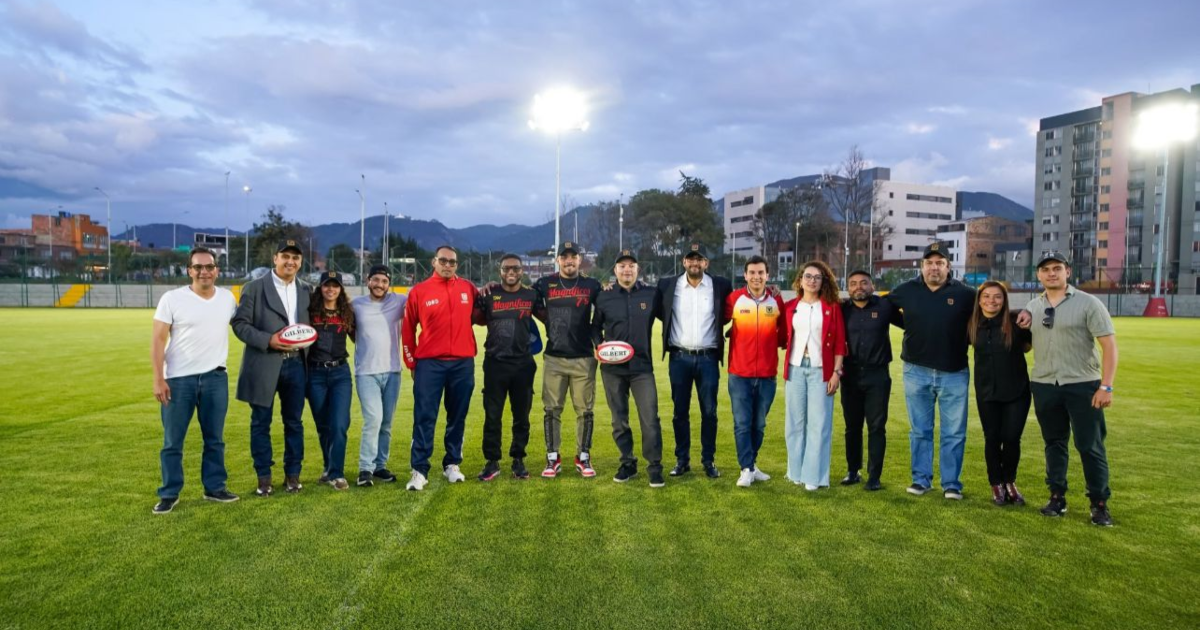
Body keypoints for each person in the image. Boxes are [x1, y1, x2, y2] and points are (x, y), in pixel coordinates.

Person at [1017, 252, 1118, 526]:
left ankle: (1099, 503)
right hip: (1045, 384)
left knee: (1089, 445)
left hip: (1082, 385)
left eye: (1057, 268)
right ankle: (1057, 497)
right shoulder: (1033, 306)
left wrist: (1106, 386)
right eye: (1046, 269)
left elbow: (1109, 346)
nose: (1051, 273)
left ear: (1067, 272)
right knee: (1054, 443)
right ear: (1038, 275)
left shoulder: (1088, 303)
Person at [150, 246, 239, 514]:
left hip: (215, 378)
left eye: (209, 266)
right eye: (198, 267)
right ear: (189, 270)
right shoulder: (172, 299)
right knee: (173, 441)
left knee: (215, 439)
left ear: (217, 270)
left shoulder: (227, 299)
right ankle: (169, 493)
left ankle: (214, 487)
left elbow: (245, 325)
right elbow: (158, 340)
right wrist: (158, 379)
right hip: (179, 380)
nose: (204, 272)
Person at [885, 241, 975, 499]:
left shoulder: (966, 294)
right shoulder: (906, 290)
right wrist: (909, 323)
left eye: (940, 263)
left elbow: (989, 313)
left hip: (954, 372)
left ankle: (951, 484)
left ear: (948, 266)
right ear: (922, 266)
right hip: (916, 371)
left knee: (954, 432)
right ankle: (921, 480)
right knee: (920, 430)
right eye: (929, 263)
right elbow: (884, 308)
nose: (934, 267)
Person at [232, 240, 311, 496]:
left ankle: (293, 475)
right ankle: (264, 478)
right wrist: (269, 340)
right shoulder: (254, 288)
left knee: (294, 423)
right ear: (275, 258)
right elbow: (240, 324)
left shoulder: (307, 289)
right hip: (264, 364)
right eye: (285, 256)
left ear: (301, 262)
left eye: (295, 258)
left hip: (296, 364)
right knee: (260, 423)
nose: (290, 261)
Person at [401, 245, 478, 491]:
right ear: (434, 262)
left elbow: (484, 313)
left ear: (457, 265)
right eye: (443, 260)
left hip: (462, 363)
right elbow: (407, 329)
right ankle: (419, 470)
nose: (447, 265)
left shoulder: (468, 288)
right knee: (424, 416)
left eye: (452, 262)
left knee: (457, 416)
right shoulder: (419, 291)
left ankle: (452, 464)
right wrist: (411, 361)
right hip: (429, 364)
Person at [655, 242, 733, 479]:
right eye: (691, 259)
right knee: (680, 412)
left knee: (709, 412)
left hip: (708, 358)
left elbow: (733, 308)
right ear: (684, 262)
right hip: (679, 357)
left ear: (706, 263)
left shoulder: (720, 285)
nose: (694, 263)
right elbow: (659, 310)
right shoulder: (668, 285)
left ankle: (708, 460)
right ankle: (682, 460)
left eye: (699, 259)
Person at [593, 250, 665, 487]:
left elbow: (669, 316)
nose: (626, 270)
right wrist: (598, 345)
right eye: (622, 266)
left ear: (637, 269)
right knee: (619, 420)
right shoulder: (604, 296)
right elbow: (595, 327)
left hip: (642, 368)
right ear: (615, 270)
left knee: (650, 418)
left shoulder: (651, 294)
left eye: (631, 266)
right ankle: (627, 463)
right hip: (612, 369)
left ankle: (654, 467)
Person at [531, 241, 602, 478]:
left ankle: (583, 456)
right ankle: (552, 457)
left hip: (583, 357)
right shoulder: (544, 283)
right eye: (564, 257)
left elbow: (604, 311)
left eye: (573, 257)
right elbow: (528, 299)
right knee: (552, 410)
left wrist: (598, 339)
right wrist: (548, 320)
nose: (569, 261)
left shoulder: (592, 285)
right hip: (554, 357)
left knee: (585, 411)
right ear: (558, 260)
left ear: (580, 260)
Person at [780, 261, 846, 491]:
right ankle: (795, 472)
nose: (812, 281)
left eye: (817, 277)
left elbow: (840, 343)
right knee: (794, 423)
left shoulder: (831, 307)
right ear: (800, 280)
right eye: (808, 276)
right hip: (795, 368)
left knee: (819, 424)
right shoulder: (790, 306)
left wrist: (836, 373)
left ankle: (814, 476)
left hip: (821, 370)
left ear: (823, 282)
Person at [473, 254, 539, 481]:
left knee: (521, 416)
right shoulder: (489, 295)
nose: (511, 272)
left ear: (522, 271)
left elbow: (548, 317)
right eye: (506, 268)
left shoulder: (531, 295)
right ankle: (492, 461)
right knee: (492, 416)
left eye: (515, 268)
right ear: (499, 271)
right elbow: (471, 318)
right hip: (495, 363)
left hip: (523, 364)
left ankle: (518, 459)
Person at [839, 270, 903, 491]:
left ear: (872, 286)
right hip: (850, 375)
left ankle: (874, 476)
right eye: (853, 283)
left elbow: (911, 323)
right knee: (852, 426)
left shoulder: (885, 306)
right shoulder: (842, 309)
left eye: (863, 283)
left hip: (878, 375)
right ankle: (853, 470)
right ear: (848, 288)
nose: (859, 287)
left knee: (876, 427)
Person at [969, 281, 1032, 507]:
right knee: (992, 438)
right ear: (979, 300)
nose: (991, 301)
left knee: (1012, 438)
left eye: (997, 296)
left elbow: (1027, 347)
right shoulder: (972, 324)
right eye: (986, 296)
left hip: (1017, 391)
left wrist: (1027, 312)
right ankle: (996, 484)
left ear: (1004, 300)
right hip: (987, 392)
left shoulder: (1016, 322)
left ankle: (1009, 481)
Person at [725, 256, 785, 488]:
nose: (756, 276)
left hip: (767, 374)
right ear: (745, 275)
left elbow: (782, 333)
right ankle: (746, 469)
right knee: (742, 423)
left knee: (758, 425)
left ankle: (752, 464)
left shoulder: (776, 301)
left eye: (761, 272)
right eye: (752, 272)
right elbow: (718, 320)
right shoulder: (735, 298)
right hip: (739, 374)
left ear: (767, 275)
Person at [350, 264, 406, 487]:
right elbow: (349, 330)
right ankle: (365, 468)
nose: (379, 284)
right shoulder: (356, 305)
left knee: (386, 423)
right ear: (368, 280)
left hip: (392, 372)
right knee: (373, 419)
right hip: (366, 372)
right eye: (376, 280)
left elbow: (421, 299)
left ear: (389, 284)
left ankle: (380, 466)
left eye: (384, 281)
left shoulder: (399, 301)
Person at [306, 271, 355, 491]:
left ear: (341, 289)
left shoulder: (347, 312)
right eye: (327, 285)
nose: (331, 289)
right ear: (320, 287)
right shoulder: (311, 311)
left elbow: (359, 336)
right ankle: (328, 467)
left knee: (339, 424)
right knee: (323, 425)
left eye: (335, 286)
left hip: (340, 373)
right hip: (315, 373)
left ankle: (337, 473)